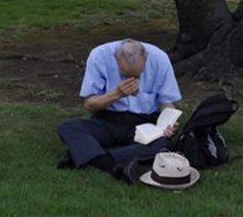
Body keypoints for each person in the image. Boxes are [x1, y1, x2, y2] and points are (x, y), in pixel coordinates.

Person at [56, 38, 182, 184]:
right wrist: (116, 94)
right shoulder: (99, 56)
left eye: (137, 75)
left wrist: (168, 123)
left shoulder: (159, 58)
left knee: (163, 145)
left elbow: (166, 101)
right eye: (126, 74)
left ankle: (86, 154)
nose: (132, 79)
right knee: (67, 127)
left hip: (143, 123)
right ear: (116, 58)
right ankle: (113, 166)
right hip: (108, 120)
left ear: (145, 57)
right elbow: (89, 105)